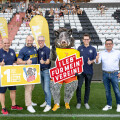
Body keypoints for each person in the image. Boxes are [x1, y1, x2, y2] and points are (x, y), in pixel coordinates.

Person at [95, 39, 120, 112]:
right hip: (105, 74)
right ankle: (109, 105)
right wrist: (96, 59)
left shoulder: (117, 52)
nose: (108, 45)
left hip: (114, 74)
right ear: (105, 45)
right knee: (107, 91)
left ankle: (119, 104)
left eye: (110, 44)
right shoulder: (102, 53)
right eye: (107, 44)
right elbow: (97, 62)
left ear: (112, 44)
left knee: (116, 90)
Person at [0, 38, 23, 115]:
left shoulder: (12, 51)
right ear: (2, 43)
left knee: (13, 90)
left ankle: (13, 105)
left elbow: (15, 60)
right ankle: (3, 107)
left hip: (12, 74)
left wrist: (15, 63)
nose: (7, 45)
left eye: (8, 43)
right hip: (3, 76)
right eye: (5, 43)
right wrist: (1, 64)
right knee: (2, 92)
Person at [17, 35, 37, 113]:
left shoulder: (34, 48)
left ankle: (30, 101)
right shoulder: (23, 50)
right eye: (28, 40)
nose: (29, 42)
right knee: (28, 89)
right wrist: (26, 62)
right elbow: (18, 61)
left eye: (30, 40)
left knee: (32, 88)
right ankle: (28, 105)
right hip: (27, 72)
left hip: (34, 71)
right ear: (26, 41)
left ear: (32, 41)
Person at [76, 34, 97, 109]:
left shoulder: (93, 49)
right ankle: (78, 102)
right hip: (80, 71)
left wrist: (91, 61)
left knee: (87, 87)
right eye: (85, 39)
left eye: (87, 39)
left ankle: (86, 102)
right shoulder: (79, 48)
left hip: (89, 71)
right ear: (82, 40)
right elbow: (76, 58)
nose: (86, 40)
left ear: (90, 40)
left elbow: (95, 59)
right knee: (79, 86)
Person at [37, 36, 51, 112]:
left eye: (41, 40)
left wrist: (44, 62)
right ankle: (46, 101)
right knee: (43, 88)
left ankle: (48, 104)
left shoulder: (47, 49)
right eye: (39, 40)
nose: (40, 42)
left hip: (46, 71)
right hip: (40, 71)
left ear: (44, 41)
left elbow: (48, 61)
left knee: (46, 88)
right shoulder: (38, 50)